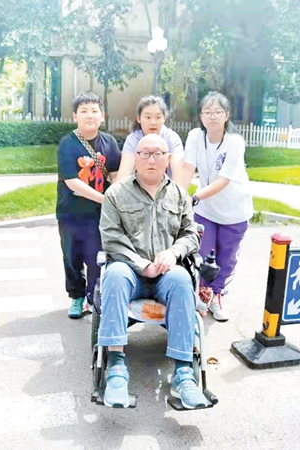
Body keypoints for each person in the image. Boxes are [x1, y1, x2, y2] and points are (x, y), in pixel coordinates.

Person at [97, 134, 208, 410]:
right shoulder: (116, 194)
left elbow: (190, 235)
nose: (151, 159)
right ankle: (116, 370)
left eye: (158, 154)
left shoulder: (179, 195)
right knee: (114, 274)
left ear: (167, 159)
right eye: (145, 153)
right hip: (130, 271)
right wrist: (141, 265)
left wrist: (174, 253)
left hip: (165, 273)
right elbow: (112, 238)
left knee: (182, 278)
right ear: (136, 158)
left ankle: (183, 373)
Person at [182, 91, 253, 322]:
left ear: (226, 115)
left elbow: (223, 180)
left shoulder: (234, 142)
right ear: (201, 116)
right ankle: (203, 296)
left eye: (218, 111)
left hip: (235, 211)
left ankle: (217, 296)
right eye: (207, 112)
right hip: (206, 210)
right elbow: (187, 168)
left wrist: (194, 198)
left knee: (226, 259)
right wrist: (179, 195)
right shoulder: (195, 137)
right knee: (202, 255)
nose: (212, 116)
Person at [57, 92, 121, 319]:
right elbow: (72, 182)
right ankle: (76, 297)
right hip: (70, 213)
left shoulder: (109, 142)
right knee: (72, 257)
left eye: (94, 111)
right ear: (75, 116)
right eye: (83, 111)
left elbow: (115, 174)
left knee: (96, 257)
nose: (89, 116)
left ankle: (94, 297)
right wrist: (105, 199)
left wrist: (116, 196)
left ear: (102, 116)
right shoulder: (67, 143)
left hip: (98, 216)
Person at [116, 95, 184, 185]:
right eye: (148, 117)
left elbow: (178, 174)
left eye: (158, 117)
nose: (153, 122)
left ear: (164, 118)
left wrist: (177, 193)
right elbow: (123, 175)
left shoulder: (172, 139)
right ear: (139, 118)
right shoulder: (133, 140)